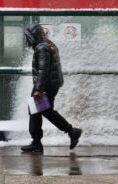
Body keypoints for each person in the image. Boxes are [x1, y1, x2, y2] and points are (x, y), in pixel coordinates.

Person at [21, 24, 82, 153]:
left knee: (38, 110)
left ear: (36, 36)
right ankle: (68, 132)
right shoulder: (47, 44)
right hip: (51, 84)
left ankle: (70, 131)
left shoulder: (42, 47)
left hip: (46, 85)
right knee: (40, 110)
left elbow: (43, 70)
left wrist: (38, 89)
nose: (28, 41)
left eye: (30, 38)